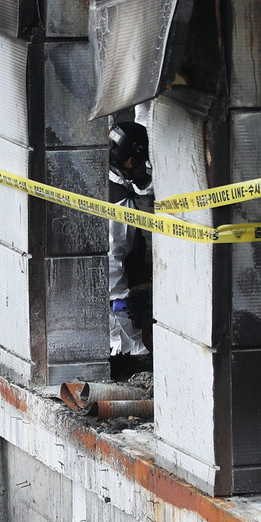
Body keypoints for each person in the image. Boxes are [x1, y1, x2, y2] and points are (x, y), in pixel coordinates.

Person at [108, 121, 153, 363]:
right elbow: (113, 257)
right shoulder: (120, 202)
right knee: (135, 360)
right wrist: (121, 303)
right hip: (119, 316)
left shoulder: (106, 181)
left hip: (110, 305)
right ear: (130, 162)